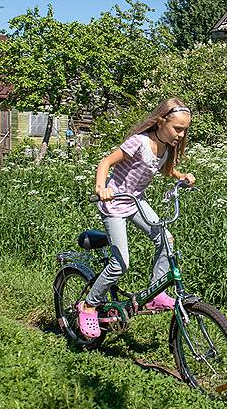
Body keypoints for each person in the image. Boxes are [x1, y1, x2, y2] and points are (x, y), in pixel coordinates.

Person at [76, 98, 195, 339]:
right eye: (178, 129)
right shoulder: (139, 142)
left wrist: (180, 176)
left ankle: (156, 294)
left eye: (185, 130)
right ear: (162, 121)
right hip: (114, 204)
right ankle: (88, 305)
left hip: (136, 201)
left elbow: (162, 168)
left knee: (166, 239)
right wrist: (101, 188)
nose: (181, 135)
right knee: (120, 264)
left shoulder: (165, 146)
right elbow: (106, 162)